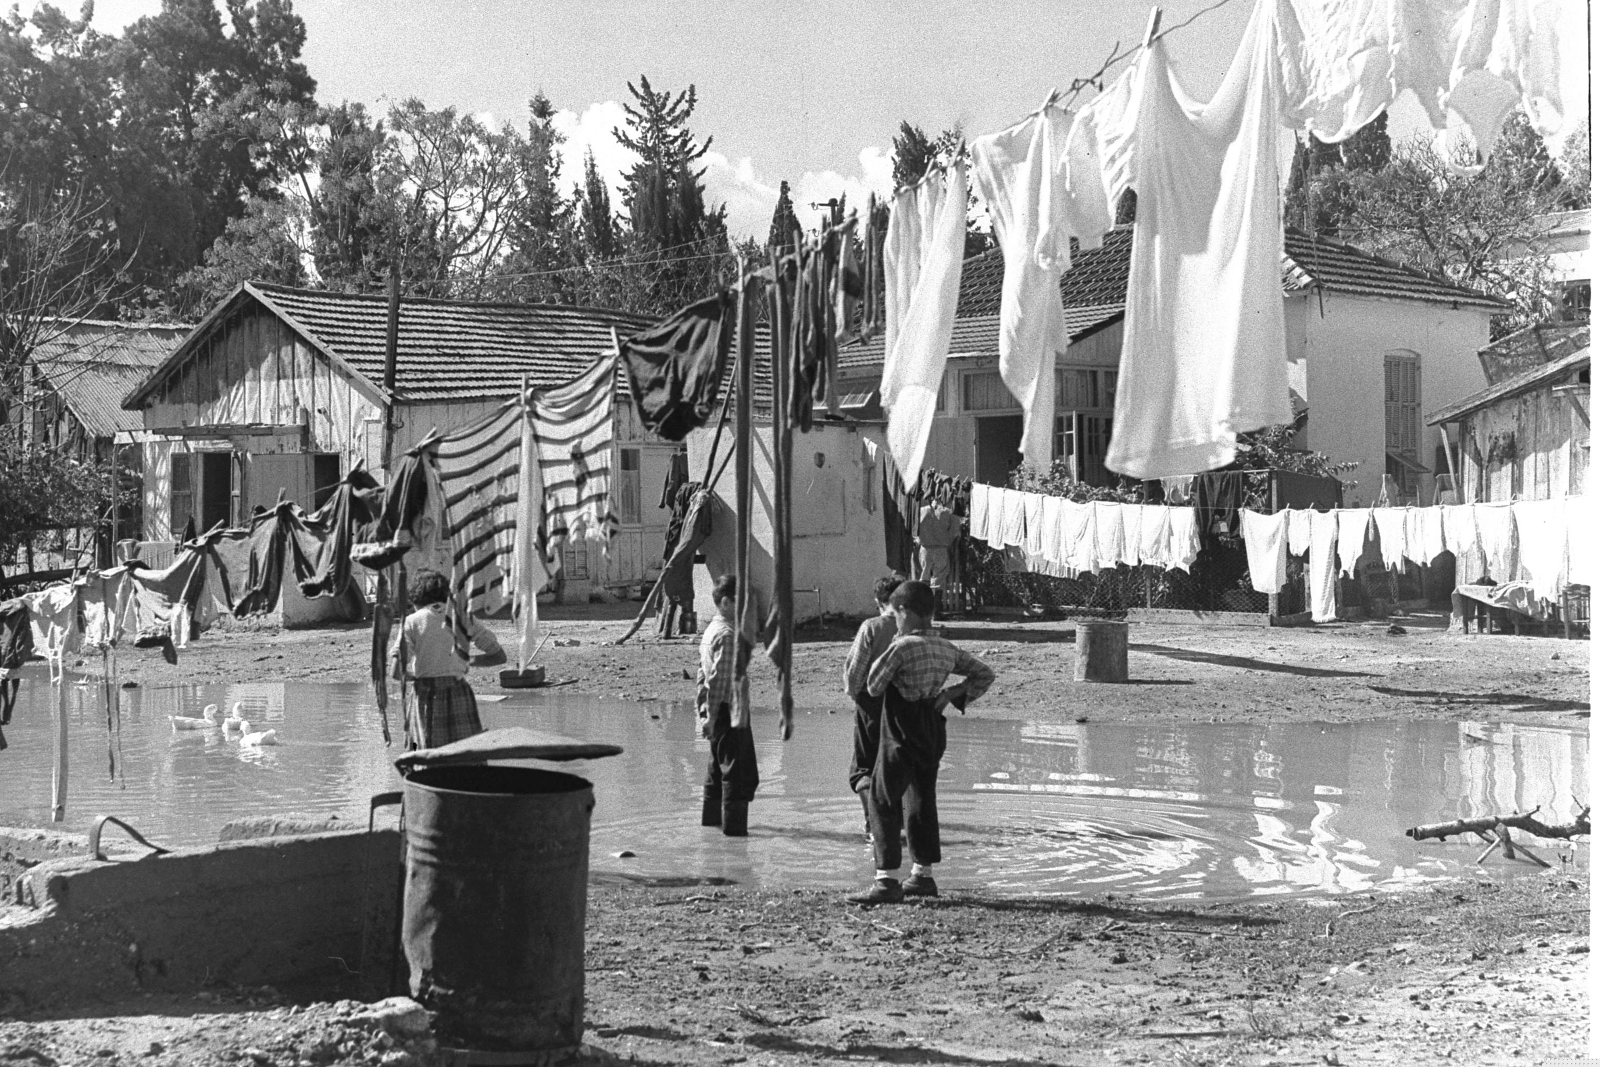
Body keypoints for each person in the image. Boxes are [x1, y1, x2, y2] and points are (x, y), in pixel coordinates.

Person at [851, 580, 993, 905]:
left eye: (897, 617)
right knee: (921, 801)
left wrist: (893, 646)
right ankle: (922, 876)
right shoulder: (947, 648)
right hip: (932, 729)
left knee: (882, 799)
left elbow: (873, 686)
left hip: (900, 731)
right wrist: (948, 695)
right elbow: (985, 674)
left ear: (903, 612)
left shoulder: (901, 648)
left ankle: (886, 880)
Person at [393, 569, 505, 750]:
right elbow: (499, 656)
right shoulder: (463, 617)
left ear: (415, 600)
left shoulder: (412, 622)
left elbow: (396, 672)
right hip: (459, 691)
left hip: (426, 694)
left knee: (427, 753)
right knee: (466, 752)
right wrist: (465, 660)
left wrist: (413, 676)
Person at [842, 574, 906, 835]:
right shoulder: (910, 625)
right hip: (904, 703)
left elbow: (855, 673)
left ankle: (874, 822)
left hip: (873, 701)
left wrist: (856, 695)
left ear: (879, 602)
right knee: (895, 765)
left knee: (863, 769)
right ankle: (897, 822)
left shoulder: (872, 627)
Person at [697, 574, 759, 836]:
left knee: (716, 769)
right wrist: (710, 717)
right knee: (737, 773)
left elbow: (703, 676)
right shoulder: (728, 635)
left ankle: (711, 825)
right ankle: (735, 835)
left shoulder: (712, 630)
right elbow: (718, 681)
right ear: (725, 603)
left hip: (717, 710)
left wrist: (704, 714)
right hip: (728, 710)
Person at [915, 500, 958, 611]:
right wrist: (947, 541)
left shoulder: (920, 511)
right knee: (938, 580)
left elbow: (914, 530)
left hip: (925, 549)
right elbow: (954, 532)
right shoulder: (948, 512)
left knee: (923, 579)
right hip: (941, 549)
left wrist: (920, 540)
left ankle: (923, 610)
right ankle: (935, 611)